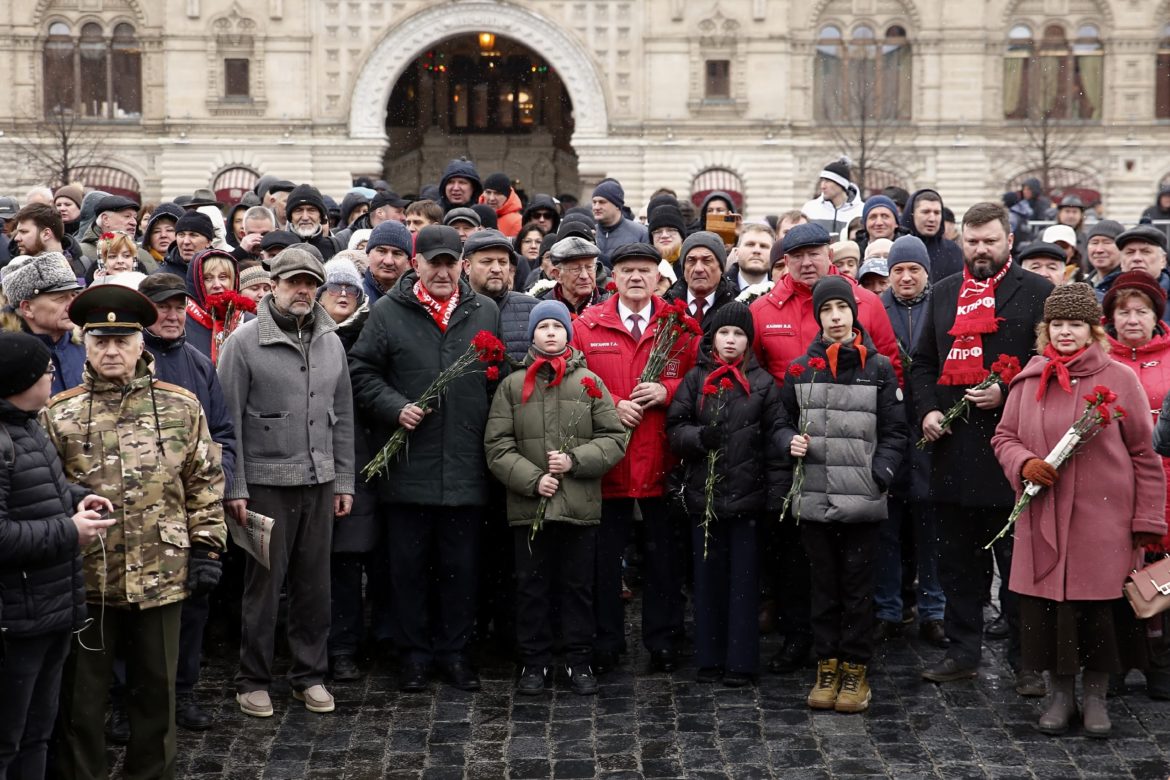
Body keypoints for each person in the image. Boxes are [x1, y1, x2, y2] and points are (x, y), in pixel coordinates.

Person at [43, 283, 226, 780]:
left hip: (162, 574)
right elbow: (43, 490)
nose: (111, 350)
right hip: (88, 577)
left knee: (156, 697)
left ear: (140, 343)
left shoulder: (181, 406)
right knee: (82, 703)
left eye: (121, 340)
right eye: (100, 339)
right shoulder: (59, 413)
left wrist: (208, 547)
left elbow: (204, 479)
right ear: (85, 343)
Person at [992, 282, 1165, 738]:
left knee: (1097, 616)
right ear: (1045, 330)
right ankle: (1059, 694)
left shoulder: (1119, 379)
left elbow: (1145, 456)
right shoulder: (1030, 379)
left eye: (1075, 324)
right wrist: (1024, 464)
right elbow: (1004, 437)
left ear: (1093, 330)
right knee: (1052, 614)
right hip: (1042, 518)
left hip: (1103, 522)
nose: (1065, 333)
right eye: (1057, 325)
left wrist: (1147, 520)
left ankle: (1095, 697)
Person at [348, 224, 501, 694]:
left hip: (464, 467)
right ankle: (413, 655)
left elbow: (497, 379)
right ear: (416, 265)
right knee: (408, 570)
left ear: (462, 264)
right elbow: (361, 370)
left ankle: (454, 653)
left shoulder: (485, 311)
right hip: (408, 467)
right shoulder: (389, 312)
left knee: (461, 569)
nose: (441, 270)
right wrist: (395, 406)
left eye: (449, 262)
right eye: (432, 262)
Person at [912, 202, 1052, 691]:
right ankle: (963, 651)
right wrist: (927, 409)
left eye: (990, 240)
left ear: (1009, 241)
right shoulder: (946, 292)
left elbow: (1052, 366)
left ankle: (1027, 661)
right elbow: (923, 362)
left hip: (1012, 458)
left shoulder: (1037, 292)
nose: (980, 250)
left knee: (1018, 569)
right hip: (953, 455)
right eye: (972, 241)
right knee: (958, 567)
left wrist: (1008, 392)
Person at [218, 247, 355, 718]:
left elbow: (343, 417)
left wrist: (344, 480)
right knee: (264, 585)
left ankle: (308, 675)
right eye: (293, 281)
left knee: (315, 585)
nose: (302, 291)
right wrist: (233, 487)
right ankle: (253, 679)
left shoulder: (331, 340)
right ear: (273, 284)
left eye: (310, 283)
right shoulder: (244, 342)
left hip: (319, 481)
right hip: (265, 483)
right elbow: (227, 421)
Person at [778, 276, 906, 713]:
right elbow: (780, 421)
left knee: (857, 589)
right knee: (823, 588)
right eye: (826, 310)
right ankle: (826, 665)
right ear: (817, 317)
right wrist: (786, 441)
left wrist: (881, 474)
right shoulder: (801, 369)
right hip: (814, 497)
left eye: (842, 308)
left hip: (863, 500)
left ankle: (856, 669)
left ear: (854, 313)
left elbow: (895, 431)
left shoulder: (879, 368)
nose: (835, 317)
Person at [484, 300, 626, 695]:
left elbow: (614, 438)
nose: (550, 332)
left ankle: (578, 659)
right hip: (529, 507)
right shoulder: (513, 385)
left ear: (568, 333)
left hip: (579, 507)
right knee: (531, 585)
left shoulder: (589, 382)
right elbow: (497, 445)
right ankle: (534, 662)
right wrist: (533, 480)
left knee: (577, 586)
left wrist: (575, 461)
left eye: (557, 326)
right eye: (543, 326)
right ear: (532, 334)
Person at [571, 242, 700, 674]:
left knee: (664, 562)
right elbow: (573, 380)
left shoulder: (678, 326)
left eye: (645, 270)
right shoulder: (588, 325)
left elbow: (699, 380)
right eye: (627, 270)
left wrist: (669, 390)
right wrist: (610, 402)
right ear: (614, 277)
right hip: (608, 465)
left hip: (662, 460)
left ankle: (662, 640)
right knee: (603, 564)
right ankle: (606, 642)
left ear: (658, 276)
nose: (636, 278)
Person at [0, 332, 115, 780]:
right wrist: (69, 531)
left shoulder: (29, 425)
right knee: (8, 739)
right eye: (46, 372)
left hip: (52, 609)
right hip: (17, 620)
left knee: (37, 734)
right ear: (21, 381)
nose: (53, 377)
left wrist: (76, 499)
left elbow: (41, 489)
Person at [136, 272, 238, 731]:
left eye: (180, 306)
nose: (174, 315)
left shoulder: (200, 363)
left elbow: (224, 434)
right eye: (163, 307)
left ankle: (183, 692)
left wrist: (219, 483)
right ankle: (129, 700)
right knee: (134, 609)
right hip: (137, 511)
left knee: (193, 604)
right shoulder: (128, 359)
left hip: (191, 509)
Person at [665, 301, 784, 686]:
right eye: (724, 333)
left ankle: (741, 661)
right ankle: (709, 657)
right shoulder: (696, 379)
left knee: (744, 584)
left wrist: (774, 494)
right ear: (712, 337)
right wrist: (700, 438)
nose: (731, 341)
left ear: (749, 341)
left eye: (738, 335)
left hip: (747, 499)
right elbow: (676, 427)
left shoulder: (763, 384)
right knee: (708, 581)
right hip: (706, 501)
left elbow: (774, 438)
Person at [876, 236, 947, 646]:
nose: (905, 277)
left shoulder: (940, 307)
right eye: (898, 270)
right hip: (888, 433)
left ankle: (933, 609)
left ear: (926, 274)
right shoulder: (875, 309)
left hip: (930, 433)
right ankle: (887, 608)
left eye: (913, 270)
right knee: (886, 529)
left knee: (930, 529)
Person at [1, 252, 85, 394]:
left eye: (73, 295)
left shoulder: (86, 343)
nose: (71, 305)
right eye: (60, 298)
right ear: (27, 308)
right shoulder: (7, 357)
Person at [662, 232, 739, 330]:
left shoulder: (737, 305)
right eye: (691, 261)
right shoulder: (665, 307)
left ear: (721, 268)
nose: (698, 269)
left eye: (707, 261)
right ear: (684, 269)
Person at [183, 248, 247, 363]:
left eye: (223, 277)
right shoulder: (181, 323)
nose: (217, 285)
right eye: (207, 278)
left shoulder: (249, 321)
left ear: (234, 280)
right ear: (197, 283)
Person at [900, 189, 963, 282]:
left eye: (937, 213)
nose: (932, 218)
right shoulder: (896, 248)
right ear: (912, 214)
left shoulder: (953, 251)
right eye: (926, 212)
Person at [537, 236, 610, 316]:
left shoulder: (610, 307)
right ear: (558, 275)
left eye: (589, 267)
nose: (584, 276)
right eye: (576, 269)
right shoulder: (541, 308)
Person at [591, 179, 649, 268]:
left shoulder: (641, 233)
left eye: (602, 202)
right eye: (594, 202)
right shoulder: (590, 234)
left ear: (617, 205)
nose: (596, 207)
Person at [1117, 226, 1170, 321]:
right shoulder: (1103, 297)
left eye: (1146, 252)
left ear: (1163, 260)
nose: (1137, 258)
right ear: (1121, 262)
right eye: (1130, 252)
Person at [800, 158, 863, 237]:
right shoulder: (810, 208)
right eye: (822, 181)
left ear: (841, 184)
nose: (822, 186)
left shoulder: (861, 210)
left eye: (828, 181)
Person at [361, 219, 414, 306]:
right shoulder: (354, 296)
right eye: (382, 251)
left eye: (397, 253)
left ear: (408, 260)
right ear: (368, 253)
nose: (388, 261)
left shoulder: (416, 299)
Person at [725, 223, 775, 292]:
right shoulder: (718, 288)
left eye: (763, 246)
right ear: (736, 252)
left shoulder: (784, 289)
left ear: (773, 254)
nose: (757, 250)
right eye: (750, 245)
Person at [1084, 220, 1125, 300]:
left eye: (1107, 242)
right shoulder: (1085, 284)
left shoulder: (1128, 284)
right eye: (1094, 243)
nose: (1099, 250)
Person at [480, 173, 523, 237]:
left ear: (507, 196)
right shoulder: (475, 214)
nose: (492, 198)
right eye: (488, 192)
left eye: (497, 193)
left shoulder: (516, 222)